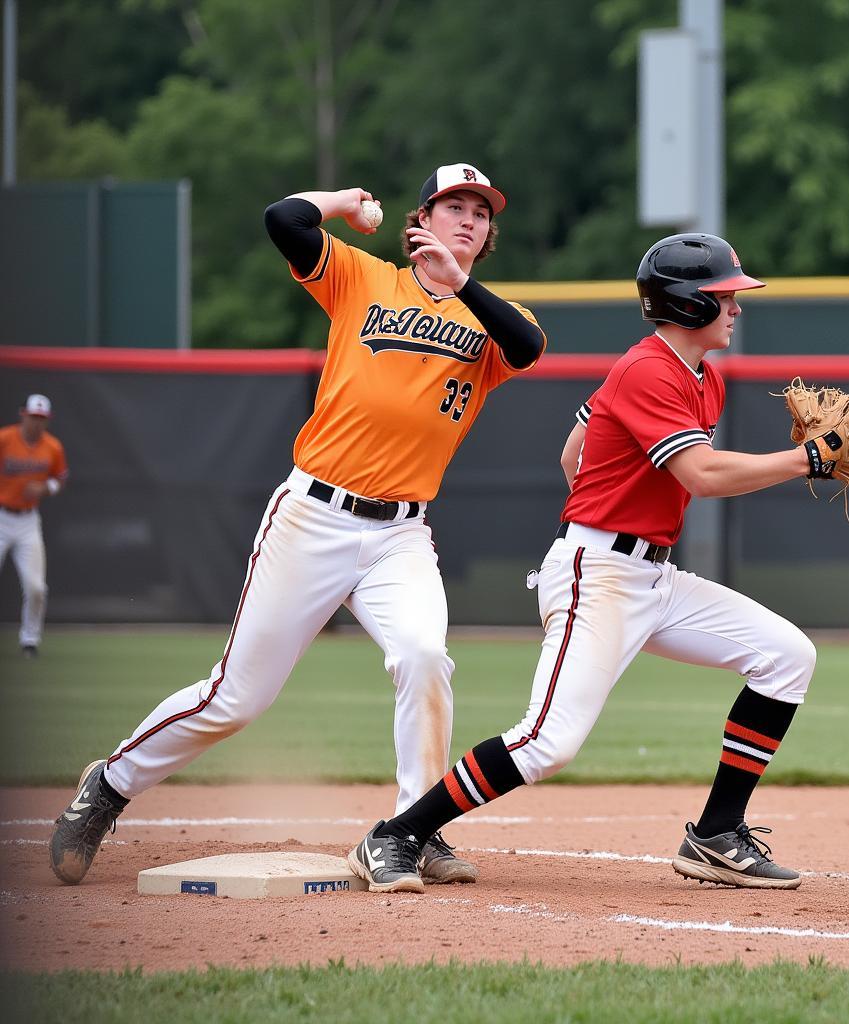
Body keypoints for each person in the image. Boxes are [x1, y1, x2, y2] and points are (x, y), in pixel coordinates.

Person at [48, 162, 546, 886]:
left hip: (400, 534)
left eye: (481, 210)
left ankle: (414, 829)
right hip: (313, 515)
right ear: (424, 219)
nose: (469, 218)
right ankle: (110, 785)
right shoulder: (366, 278)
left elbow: (528, 352)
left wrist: (461, 283)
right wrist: (343, 202)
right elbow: (284, 221)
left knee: (423, 657)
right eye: (453, 206)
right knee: (236, 697)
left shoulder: (501, 318)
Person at [348, 233, 822, 895]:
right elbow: (703, 475)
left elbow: (576, 451)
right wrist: (805, 462)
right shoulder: (647, 369)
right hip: (597, 574)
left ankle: (716, 834)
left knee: (787, 656)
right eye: (724, 296)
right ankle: (396, 834)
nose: (737, 306)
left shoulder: (701, 378)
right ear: (687, 305)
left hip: (650, 576)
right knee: (547, 742)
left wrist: (612, 495)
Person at [0, 394, 68, 658]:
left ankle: (30, 640)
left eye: (42, 419)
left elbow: (60, 478)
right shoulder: (5, 439)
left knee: (36, 587)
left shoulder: (52, 447)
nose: (37, 423)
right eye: (33, 417)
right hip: (2, 515)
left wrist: (46, 487)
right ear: (23, 414)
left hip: (28, 521)